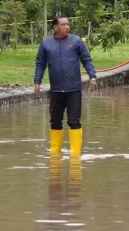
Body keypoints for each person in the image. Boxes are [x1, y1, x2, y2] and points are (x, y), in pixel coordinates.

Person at [34, 15, 97, 157]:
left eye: (68, 24)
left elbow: (86, 59)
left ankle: (75, 155)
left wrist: (92, 76)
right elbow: (40, 64)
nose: (67, 27)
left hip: (73, 89)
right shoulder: (46, 44)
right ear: (55, 27)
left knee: (74, 121)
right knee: (55, 121)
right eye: (63, 24)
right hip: (56, 90)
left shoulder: (76, 41)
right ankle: (55, 154)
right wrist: (37, 81)